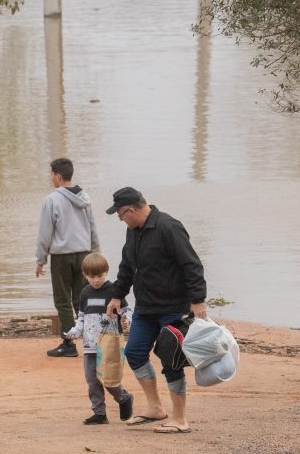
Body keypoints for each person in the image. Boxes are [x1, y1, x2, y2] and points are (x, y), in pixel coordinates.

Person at [104, 187, 207, 435]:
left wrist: (198, 301)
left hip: (173, 308)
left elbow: (192, 265)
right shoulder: (133, 231)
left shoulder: (169, 227)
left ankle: (179, 418)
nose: (120, 220)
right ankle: (155, 408)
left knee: (171, 360)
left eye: (120, 215)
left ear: (130, 210)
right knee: (135, 352)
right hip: (146, 308)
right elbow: (127, 265)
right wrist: (117, 294)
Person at [36, 157, 100, 358]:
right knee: (82, 299)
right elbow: (92, 227)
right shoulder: (85, 197)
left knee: (63, 300)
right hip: (84, 254)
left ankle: (69, 343)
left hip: (62, 257)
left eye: (51, 175)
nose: (50, 179)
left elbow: (45, 233)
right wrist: (96, 254)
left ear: (58, 176)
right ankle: (91, 341)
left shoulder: (52, 199)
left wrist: (40, 259)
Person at [63, 252, 135, 425]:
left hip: (109, 344)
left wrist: (127, 319)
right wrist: (75, 332)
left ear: (106, 272)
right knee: (92, 380)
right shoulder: (85, 293)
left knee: (109, 380)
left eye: (100, 276)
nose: (96, 280)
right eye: (92, 276)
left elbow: (127, 311)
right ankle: (99, 413)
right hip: (90, 346)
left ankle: (124, 397)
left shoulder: (114, 290)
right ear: (85, 275)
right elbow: (82, 318)